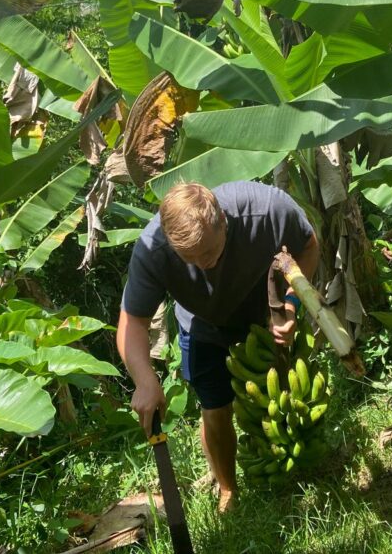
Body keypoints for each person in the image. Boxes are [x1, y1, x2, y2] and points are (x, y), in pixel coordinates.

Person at [116, 180, 320, 513]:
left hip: (264, 314)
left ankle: (290, 465)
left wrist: (291, 302)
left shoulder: (266, 209)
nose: (202, 264)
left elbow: (308, 246)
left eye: (209, 252)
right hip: (202, 324)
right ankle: (227, 488)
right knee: (215, 408)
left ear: (223, 221)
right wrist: (145, 379)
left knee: (281, 392)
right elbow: (132, 323)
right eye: (188, 258)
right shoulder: (152, 249)